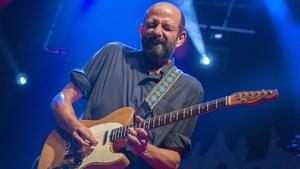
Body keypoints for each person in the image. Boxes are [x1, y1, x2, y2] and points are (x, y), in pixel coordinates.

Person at [50, 2, 204, 169]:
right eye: (152, 25)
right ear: (141, 30)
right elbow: (60, 100)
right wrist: (74, 126)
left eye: (167, 28)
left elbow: (173, 162)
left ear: (180, 38)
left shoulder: (190, 89)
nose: (158, 32)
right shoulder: (113, 53)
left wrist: (144, 149)